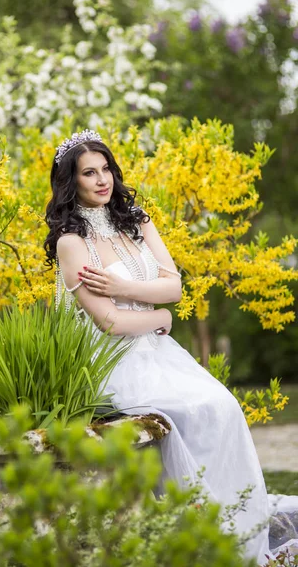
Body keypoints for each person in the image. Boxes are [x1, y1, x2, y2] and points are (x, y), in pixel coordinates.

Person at [44, 129, 298, 565]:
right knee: (191, 413)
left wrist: (126, 286)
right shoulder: (72, 243)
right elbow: (108, 321)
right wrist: (160, 317)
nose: (102, 179)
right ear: (72, 181)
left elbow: (175, 286)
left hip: (158, 354)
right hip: (111, 361)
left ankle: (234, 525)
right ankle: (197, 528)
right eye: (89, 172)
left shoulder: (136, 221)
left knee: (223, 406)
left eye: (106, 169)